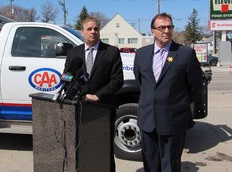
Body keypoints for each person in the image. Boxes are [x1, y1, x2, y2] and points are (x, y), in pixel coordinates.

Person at [133, 12, 203, 172]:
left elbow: (196, 86)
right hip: (148, 120)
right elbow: (142, 83)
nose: (166, 31)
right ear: (152, 31)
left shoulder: (185, 54)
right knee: (150, 164)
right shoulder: (141, 54)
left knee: (170, 165)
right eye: (162, 27)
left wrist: (177, 104)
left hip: (173, 121)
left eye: (169, 27)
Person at [64, 16, 124, 172]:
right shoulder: (73, 53)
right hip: (80, 108)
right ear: (82, 32)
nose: (93, 32)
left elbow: (117, 80)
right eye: (89, 29)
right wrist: (80, 95)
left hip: (103, 108)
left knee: (103, 149)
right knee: (82, 147)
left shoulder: (111, 52)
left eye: (96, 28)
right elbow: (67, 80)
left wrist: (98, 95)